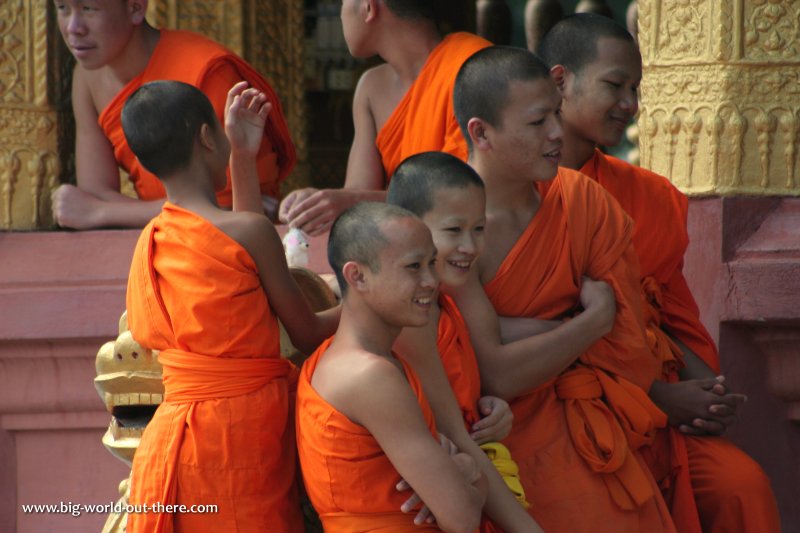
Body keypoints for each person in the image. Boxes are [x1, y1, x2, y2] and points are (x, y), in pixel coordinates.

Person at [539, 13, 780, 532]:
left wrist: (704, 395)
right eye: (614, 85)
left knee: (742, 486)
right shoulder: (513, 193)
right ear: (561, 81)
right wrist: (655, 399)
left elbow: (668, 317)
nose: (630, 103)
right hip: (558, 409)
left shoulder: (648, 196)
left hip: (655, 408)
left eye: (636, 88)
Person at [451, 45, 677, 532]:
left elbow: (628, 343)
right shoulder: (449, 221)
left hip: (588, 423)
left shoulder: (582, 201)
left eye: (557, 112)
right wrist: (587, 323)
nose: (557, 132)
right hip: (491, 428)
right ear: (480, 132)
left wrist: (506, 331)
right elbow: (495, 375)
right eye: (538, 122)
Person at [122, 80, 338, 532]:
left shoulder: (152, 240)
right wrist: (371, 297)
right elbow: (308, 333)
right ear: (206, 137)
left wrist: (241, 153)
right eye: (220, 135)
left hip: (173, 438)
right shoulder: (246, 232)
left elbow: (239, 256)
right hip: (239, 435)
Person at [296, 201, 487, 531]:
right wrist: (468, 470)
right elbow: (463, 518)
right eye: (413, 267)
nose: (431, 280)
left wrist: (461, 474)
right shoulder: (370, 375)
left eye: (431, 263)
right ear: (358, 276)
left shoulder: (343, 358)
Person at [387, 152, 544, 532]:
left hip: (465, 474)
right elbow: (449, 431)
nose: (471, 247)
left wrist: (484, 407)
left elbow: (454, 402)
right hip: (424, 492)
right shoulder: (410, 319)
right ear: (409, 229)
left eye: (478, 229)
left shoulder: (443, 303)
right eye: (454, 231)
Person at [51, 0, 294, 229]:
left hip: (227, 244)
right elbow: (95, 193)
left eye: (88, 8)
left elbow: (231, 211)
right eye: (62, 7)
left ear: (135, 7)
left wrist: (100, 213)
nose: (73, 28)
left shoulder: (207, 73)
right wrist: (99, 208)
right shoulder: (86, 78)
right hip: (160, 237)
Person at [279, 0, 490, 236]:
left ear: (369, 7)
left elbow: (466, 194)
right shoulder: (371, 87)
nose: (341, 15)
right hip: (406, 252)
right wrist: (317, 204)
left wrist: (349, 201)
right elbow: (359, 193)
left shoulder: (473, 70)